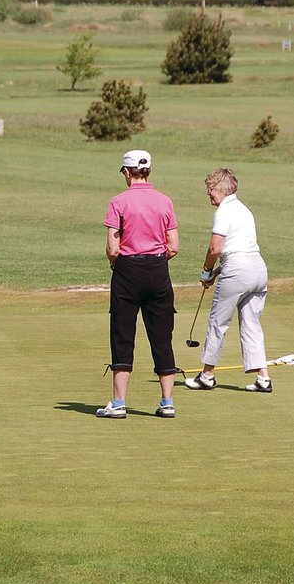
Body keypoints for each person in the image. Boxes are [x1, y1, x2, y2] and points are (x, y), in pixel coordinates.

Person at [97, 149, 179, 419]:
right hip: (158, 270)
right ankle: (167, 402)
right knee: (161, 337)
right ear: (149, 171)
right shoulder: (165, 201)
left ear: (127, 172)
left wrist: (118, 263)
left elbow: (112, 247)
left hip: (127, 271)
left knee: (122, 335)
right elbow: (174, 246)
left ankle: (119, 403)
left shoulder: (118, 201)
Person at [185, 168, 272, 393]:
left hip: (238, 269)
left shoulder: (224, 211)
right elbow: (241, 250)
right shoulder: (244, 209)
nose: (209, 194)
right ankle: (263, 378)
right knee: (252, 323)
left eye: (210, 189)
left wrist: (207, 271)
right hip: (258, 270)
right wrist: (217, 273)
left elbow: (216, 248)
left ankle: (207, 375)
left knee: (218, 322)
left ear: (221, 188)